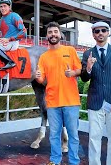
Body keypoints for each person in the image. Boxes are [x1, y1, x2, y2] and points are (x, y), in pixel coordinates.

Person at [80, 21, 111, 165]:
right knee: (94, 138)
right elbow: (84, 78)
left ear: (108, 33)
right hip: (95, 102)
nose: (100, 33)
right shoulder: (88, 53)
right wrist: (88, 68)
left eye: (103, 30)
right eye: (97, 31)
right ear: (93, 35)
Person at [35, 22, 81, 165]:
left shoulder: (70, 50)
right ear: (47, 36)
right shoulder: (43, 57)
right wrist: (38, 77)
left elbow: (80, 70)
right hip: (52, 102)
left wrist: (72, 73)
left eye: (55, 31)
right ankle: (55, 160)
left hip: (71, 101)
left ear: (60, 34)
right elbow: (42, 79)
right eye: (50, 32)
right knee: (54, 135)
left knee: (73, 136)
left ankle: (74, 162)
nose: (53, 34)